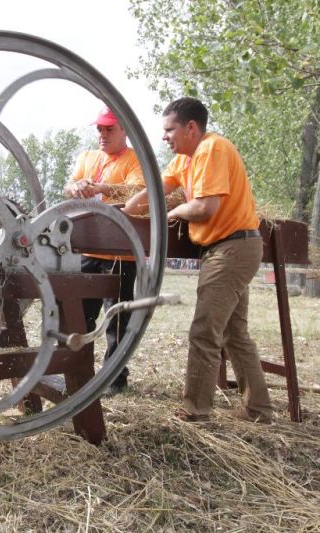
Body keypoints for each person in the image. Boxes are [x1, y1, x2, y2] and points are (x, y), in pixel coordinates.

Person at [125, 97, 272, 423]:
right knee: (235, 334)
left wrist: (171, 212)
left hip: (231, 249)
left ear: (191, 127)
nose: (164, 137)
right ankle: (258, 409)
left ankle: (195, 411)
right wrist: (123, 210)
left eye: (169, 129)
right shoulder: (185, 160)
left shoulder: (212, 149)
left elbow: (206, 207)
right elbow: (153, 191)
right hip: (228, 249)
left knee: (204, 332)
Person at [63, 107, 145, 396]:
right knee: (81, 314)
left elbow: (137, 192)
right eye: (100, 129)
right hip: (89, 246)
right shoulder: (88, 157)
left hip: (121, 251)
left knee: (118, 319)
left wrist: (99, 187)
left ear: (124, 130)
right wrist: (76, 187)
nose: (103, 134)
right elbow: (69, 186)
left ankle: (115, 378)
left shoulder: (135, 159)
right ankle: (78, 374)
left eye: (109, 129)